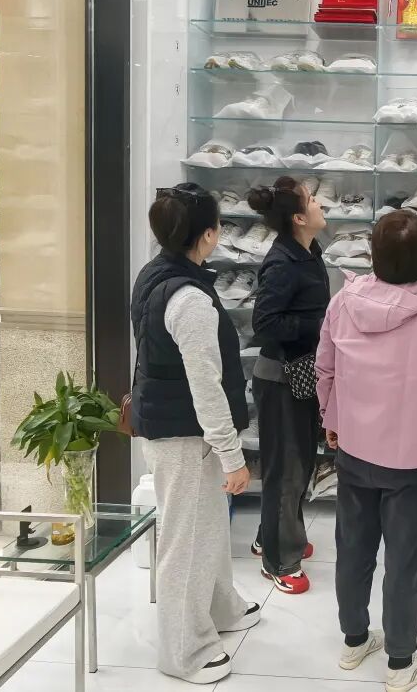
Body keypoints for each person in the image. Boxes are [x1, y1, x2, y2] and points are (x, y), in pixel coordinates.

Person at [316, 211, 417, 692]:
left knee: (353, 549)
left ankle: (353, 640)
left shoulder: (344, 301)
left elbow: (325, 367)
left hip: (354, 449)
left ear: (372, 252)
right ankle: (400, 664)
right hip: (416, 457)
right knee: (405, 561)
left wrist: (332, 419)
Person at [129, 183, 259, 685]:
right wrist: (232, 455)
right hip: (186, 435)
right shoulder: (188, 298)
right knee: (185, 541)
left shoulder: (155, 274)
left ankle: (221, 606)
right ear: (208, 234)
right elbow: (206, 386)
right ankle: (183, 651)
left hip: (168, 424)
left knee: (207, 527)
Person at [246, 176, 329, 594]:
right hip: (281, 378)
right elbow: (264, 323)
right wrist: (322, 325)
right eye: (312, 200)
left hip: (302, 373)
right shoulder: (282, 263)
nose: (320, 204)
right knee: (287, 470)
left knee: (299, 463)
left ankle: (272, 536)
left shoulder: (310, 250)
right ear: (298, 217)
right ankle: (280, 561)